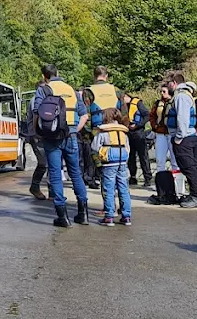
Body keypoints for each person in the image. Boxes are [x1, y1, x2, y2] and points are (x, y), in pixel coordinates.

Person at [31, 64, 90, 227]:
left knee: (56, 174)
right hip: (71, 135)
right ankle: (83, 214)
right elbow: (84, 115)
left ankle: (62, 217)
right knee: (76, 173)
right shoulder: (71, 89)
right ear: (58, 73)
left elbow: (37, 112)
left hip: (52, 136)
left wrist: (37, 132)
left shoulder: (44, 89)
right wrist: (74, 130)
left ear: (45, 76)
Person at [82, 66, 124, 190]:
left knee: (99, 161)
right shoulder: (116, 90)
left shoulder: (88, 91)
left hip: (97, 130)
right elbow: (124, 113)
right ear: (106, 76)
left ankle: (98, 181)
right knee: (116, 163)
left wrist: (87, 135)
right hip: (116, 130)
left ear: (94, 76)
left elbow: (87, 115)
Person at [166, 79, 197, 208]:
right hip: (190, 137)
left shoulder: (181, 97)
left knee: (188, 168)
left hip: (184, 138)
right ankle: (195, 194)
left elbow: (182, 118)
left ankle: (196, 197)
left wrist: (178, 138)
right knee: (191, 167)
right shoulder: (188, 97)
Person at [91, 107, 133, 226]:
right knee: (124, 189)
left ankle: (109, 216)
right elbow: (128, 148)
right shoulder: (123, 132)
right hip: (122, 162)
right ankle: (126, 216)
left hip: (109, 162)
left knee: (108, 189)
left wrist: (100, 155)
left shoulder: (103, 131)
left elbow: (94, 147)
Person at [21, 84, 50, 201]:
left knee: (48, 163)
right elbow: (36, 116)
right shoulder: (35, 100)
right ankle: (35, 187)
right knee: (44, 163)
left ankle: (50, 191)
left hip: (43, 135)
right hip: (37, 135)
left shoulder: (44, 99)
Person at [121, 91, 153, 187]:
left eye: (123, 98)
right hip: (129, 133)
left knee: (143, 156)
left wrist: (138, 125)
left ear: (127, 96)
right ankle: (133, 177)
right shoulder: (123, 106)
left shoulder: (137, 103)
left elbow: (147, 115)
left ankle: (147, 178)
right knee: (131, 156)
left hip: (139, 133)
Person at [148, 84, 179, 174]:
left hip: (172, 134)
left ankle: (176, 182)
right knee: (160, 160)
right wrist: (155, 126)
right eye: (161, 91)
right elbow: (152, 116)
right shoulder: (157, 103)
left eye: (164, 91)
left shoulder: (175, 102)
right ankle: (161, 183)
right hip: (160, 133)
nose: (162, 93)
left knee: (175, 160)